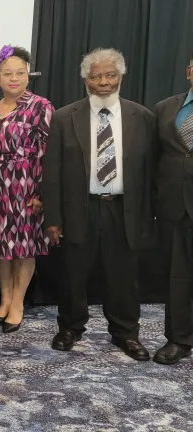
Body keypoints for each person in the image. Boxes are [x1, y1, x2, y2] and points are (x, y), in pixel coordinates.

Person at [43, 48, 155, 361]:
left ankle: (125, 334)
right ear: (85, 80)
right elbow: (52, 172)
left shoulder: (142, 116)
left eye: (109, 75)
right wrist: (53, 217)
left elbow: (150, 173)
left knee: (124, 276)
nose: (103, 82)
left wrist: (150, 216)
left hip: (123, 209)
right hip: (81, 208)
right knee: (73, 274)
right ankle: (70, 327)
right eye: (95, 76)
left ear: (121, 77)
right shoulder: (65, 117)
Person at [0, 46, 53, 333]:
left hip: (26, 187)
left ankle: (18, 302)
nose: (13, 78)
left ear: (28, 76)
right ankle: (5, 299)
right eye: (7, 74)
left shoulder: (40, 106)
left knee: (23, 248)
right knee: (0, 247)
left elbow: (51, 153)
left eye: (19, 73)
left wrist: (42, 193)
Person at [153, 52, 193, 365]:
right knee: (177, 278)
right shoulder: (166, 108)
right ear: (188, 72)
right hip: (175, 205)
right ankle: (179, 339)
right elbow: (154, 159)